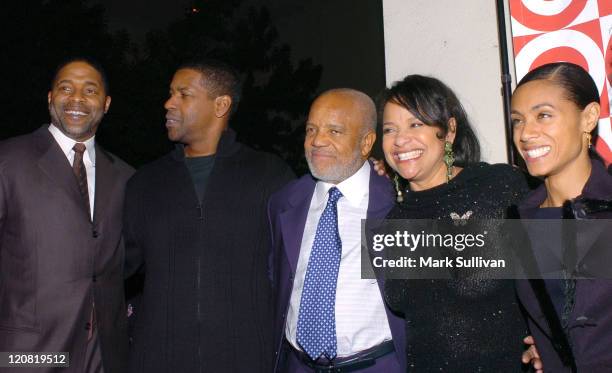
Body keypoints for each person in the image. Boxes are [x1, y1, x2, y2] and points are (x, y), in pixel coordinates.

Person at [123, 59, 294, 373]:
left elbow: (298, 262)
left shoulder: (270, 176)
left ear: (221, 105)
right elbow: (113, 269)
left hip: (247, 359)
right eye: (170, 93)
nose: (168, 103)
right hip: (158, 359)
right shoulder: (145, 183)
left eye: (183, 94)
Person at [379, 75, 529, 371]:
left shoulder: (497, 186)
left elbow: (565, 274)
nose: (399, 140)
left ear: (448, 131)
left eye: (415, 124)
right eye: (389, 129)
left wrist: (552, 342)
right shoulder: (394, 219)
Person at [0, 58, 133, 373]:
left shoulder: (127, 177)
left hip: (103, 355)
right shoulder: (8, 160)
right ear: (50, 98)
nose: (77, 98)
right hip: (29, 355)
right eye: (65, 88)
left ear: (106, 103)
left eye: (90, 90)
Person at [268, 88, 406, 373]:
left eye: (334, 131)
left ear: (366, 142)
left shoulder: (397, 205)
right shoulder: (284, 202)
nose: (317, 141)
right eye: (311, 129)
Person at [512, 62, 612, 371]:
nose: (526, 133)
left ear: (589, 117)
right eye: (517, 121)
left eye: (543, 115)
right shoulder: (519, 220)